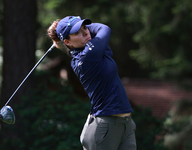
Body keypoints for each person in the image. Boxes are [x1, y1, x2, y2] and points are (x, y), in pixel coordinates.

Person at [47, 16, 137, 150]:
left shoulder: (95, 49)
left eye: (85, 28)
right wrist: (82, 26)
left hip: (126, 122)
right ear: (67, 42)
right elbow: (104, 29)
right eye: (77, 33)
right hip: (104, 126)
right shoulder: (87, 57)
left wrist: (77, 25)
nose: (85, 33)